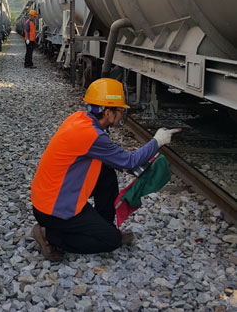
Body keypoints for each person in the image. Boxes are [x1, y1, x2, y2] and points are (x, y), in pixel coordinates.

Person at [31, 78, 180, 261]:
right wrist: (157, 141)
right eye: (120, 110)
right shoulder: (92, 135)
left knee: (106, 172)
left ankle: (105, 226)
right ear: (108, 113)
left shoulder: (79, 119)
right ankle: (49, 235)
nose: (122, 114)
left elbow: (113, 160)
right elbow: (129, 161)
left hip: (47, 198)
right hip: (54, 210)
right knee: (111, 241)